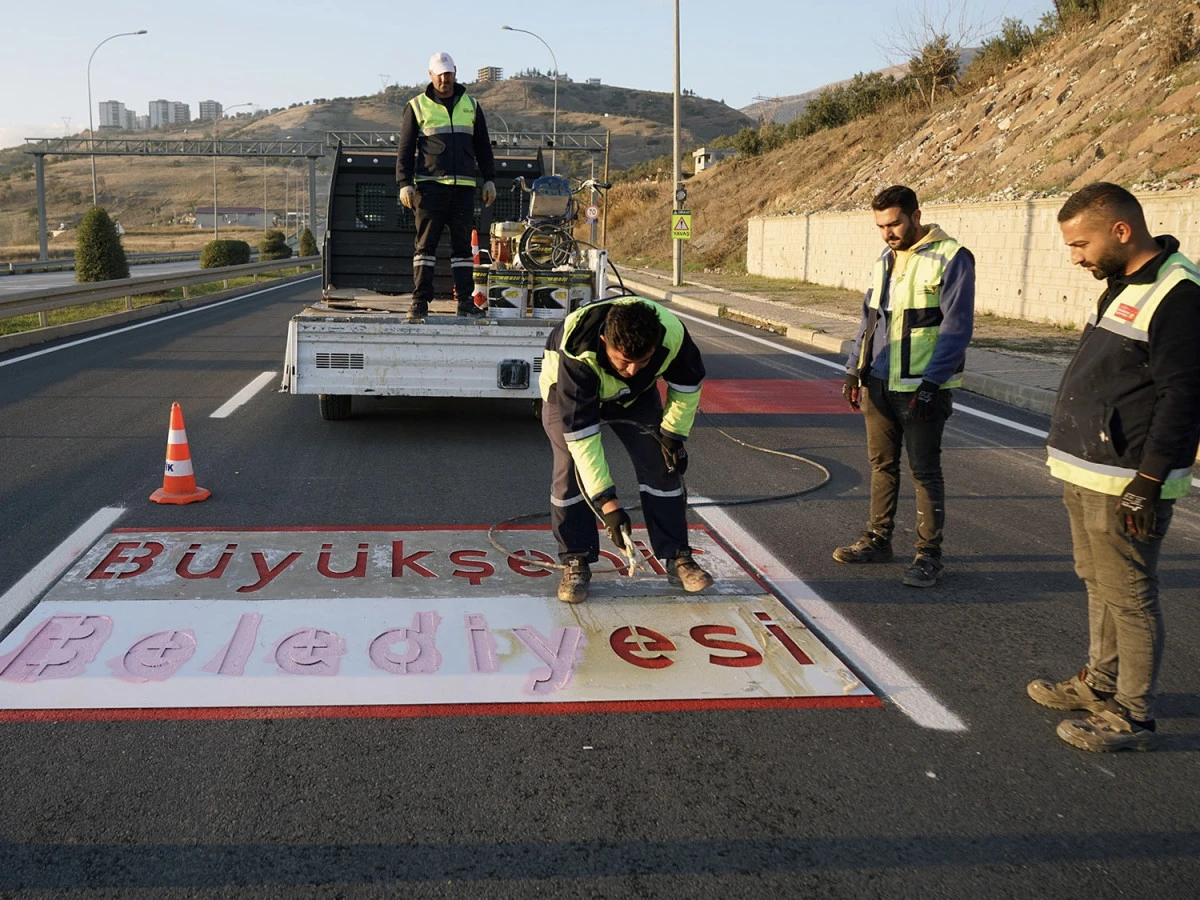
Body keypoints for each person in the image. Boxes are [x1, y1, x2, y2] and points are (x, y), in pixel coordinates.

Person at [1028, 182, 1200, 753]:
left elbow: (1183, 395)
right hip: (1088, 468)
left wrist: (1148, 483)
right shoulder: (1123, 282)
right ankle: (1099, 682)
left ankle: (1132, 713)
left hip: (1127, 479)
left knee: (1129, 591)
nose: (1075, 257)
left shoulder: (1179, 293)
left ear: (1121, 231)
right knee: (1096, 580)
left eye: (1081, 244)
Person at [834, 185, 975, 587]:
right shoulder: (885, 259)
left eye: (894, 223)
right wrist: (853, 370)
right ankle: (878, 540)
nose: (888, 233)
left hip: (921, 388)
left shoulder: (952, 258)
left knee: (924, 470)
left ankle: (929, 555)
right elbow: (869, 319)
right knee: (882, 465)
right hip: (878, 381)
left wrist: (932, 384)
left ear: (916, 215)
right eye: (880, 226)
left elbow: (956, 328)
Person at [539, 297, 714, 603]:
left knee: (661, 465)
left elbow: (687, 384)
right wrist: (609, 506)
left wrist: (674, 433)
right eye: (623, 361)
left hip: (635, 399)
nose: (632, 370)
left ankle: (678, 556)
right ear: (605, 341)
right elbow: (583, 440)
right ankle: (576, 559)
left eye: (642, 361)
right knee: (570, 471)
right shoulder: (577, 353)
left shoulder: (672, 336)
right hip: (566, 395)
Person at [396, 51, 497, 319]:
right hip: (429, 189)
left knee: (463, 250)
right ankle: (420, 302)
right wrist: (404, 183)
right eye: (440, 74)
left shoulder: (472, 106)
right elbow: (405, 149)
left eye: (448, 73)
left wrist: (489, 179)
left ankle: (465, 302)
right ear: (431, 75)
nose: (445, 78)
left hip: (463, 189)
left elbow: (483, 147)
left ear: (455, 73)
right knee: (425, 248)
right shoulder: (416, 106)